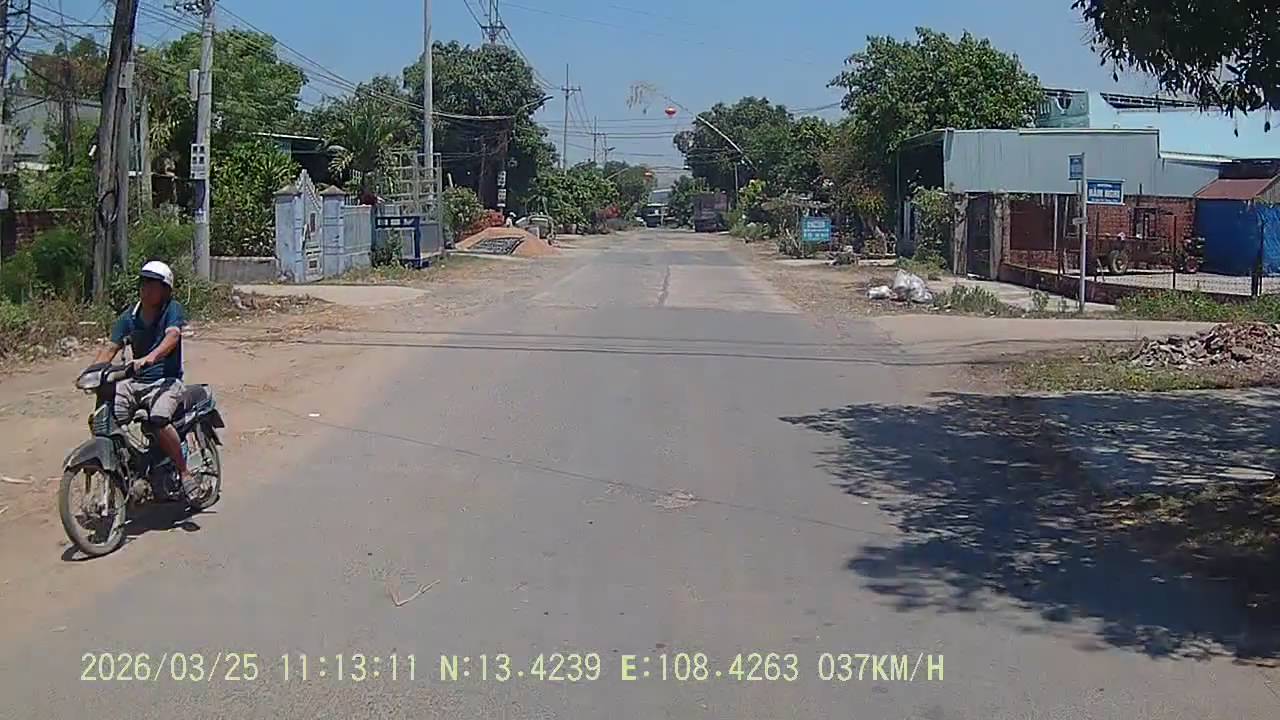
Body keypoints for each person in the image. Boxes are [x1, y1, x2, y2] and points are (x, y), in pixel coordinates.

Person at [92, 261, 196, 497]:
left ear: (165, 290)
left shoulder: (172, 309)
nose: (147, 288)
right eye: (144, 283)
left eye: (153, 284)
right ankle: (125, 467)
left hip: (166, 382)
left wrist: (151, 357)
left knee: (158, 420)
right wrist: (93, 373)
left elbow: (172, 336)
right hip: (134, 382)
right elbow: (111, 348)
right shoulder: (129, 317)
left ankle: (184, 472)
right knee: (105, 419)